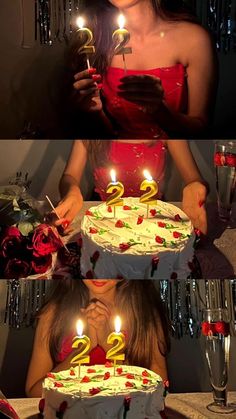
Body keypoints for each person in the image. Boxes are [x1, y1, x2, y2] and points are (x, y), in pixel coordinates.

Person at [65, 0, 218, 139]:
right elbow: (108, 134)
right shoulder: (98, 40)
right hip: (118, 161)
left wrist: (161, 111)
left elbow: (202, 128)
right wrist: (95, 113)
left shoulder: (194, 39)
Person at [25, 279, 169, 397]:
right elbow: (34, 393)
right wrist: (81, 351)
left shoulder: (145, 315)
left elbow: (160, 389)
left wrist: (110, 345)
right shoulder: (52, 314)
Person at [54, 139, 208, 234]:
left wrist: (195, 187)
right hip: (104, 216)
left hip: (152, 216)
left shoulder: (166, 122)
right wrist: (72, 191)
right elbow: (70, 176)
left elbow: (194, 179)